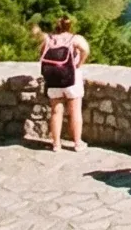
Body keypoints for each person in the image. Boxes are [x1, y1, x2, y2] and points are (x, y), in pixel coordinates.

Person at [33, 15, 90, 151]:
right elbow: (85, 50)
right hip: (71, 78)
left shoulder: (48, 39)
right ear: (69, 26)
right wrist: (79, 63)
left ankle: (56, 144)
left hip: (53, 79)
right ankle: (77, 143)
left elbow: (41, 54)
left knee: (55, 112)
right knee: (75, 111)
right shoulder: (75, 39)